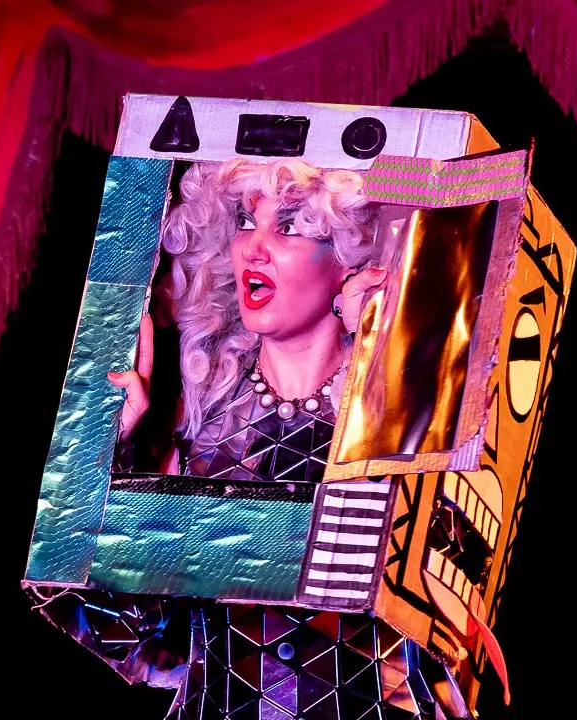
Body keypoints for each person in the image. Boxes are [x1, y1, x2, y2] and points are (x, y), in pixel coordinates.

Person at [41, 159, 474, 719]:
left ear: (351, 258)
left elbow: (442, 606)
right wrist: (105, 447)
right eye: (247, 222)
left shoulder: (407, 414)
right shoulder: (196, 427)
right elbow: (119, 631)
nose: (253, 248)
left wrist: (378, 346)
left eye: (289, 227)